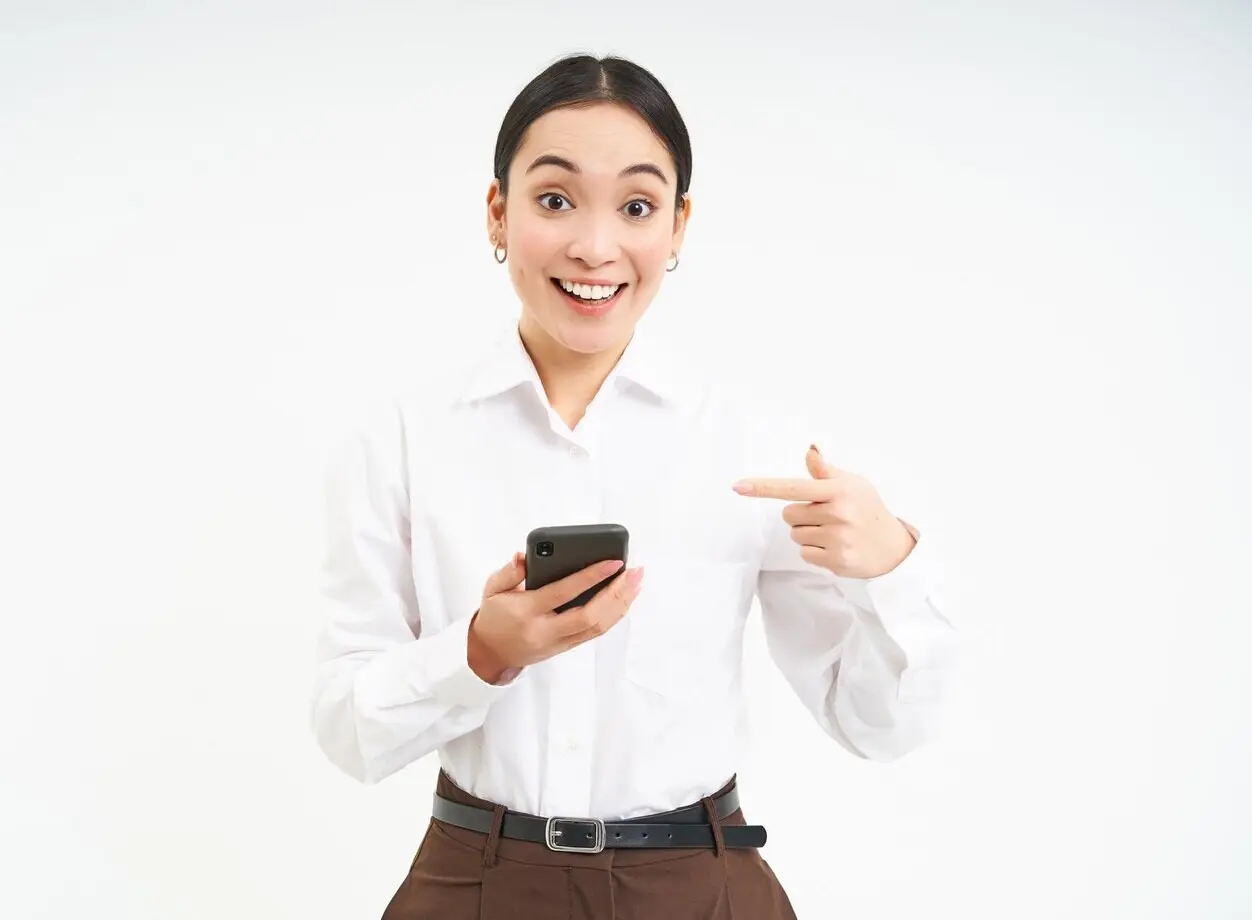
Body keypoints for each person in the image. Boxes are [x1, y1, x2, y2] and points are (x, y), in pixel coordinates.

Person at [310, 53, 959, 920]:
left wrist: (891, 565)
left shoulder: (751, 446)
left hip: (698, 886)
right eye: (554, 199)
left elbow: (879, 726)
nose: (594, 246)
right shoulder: (400, 441)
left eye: (638, 206)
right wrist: (481, 651)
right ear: (498, 211)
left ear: (679, 226)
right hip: (475, 884)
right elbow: (350, 731)